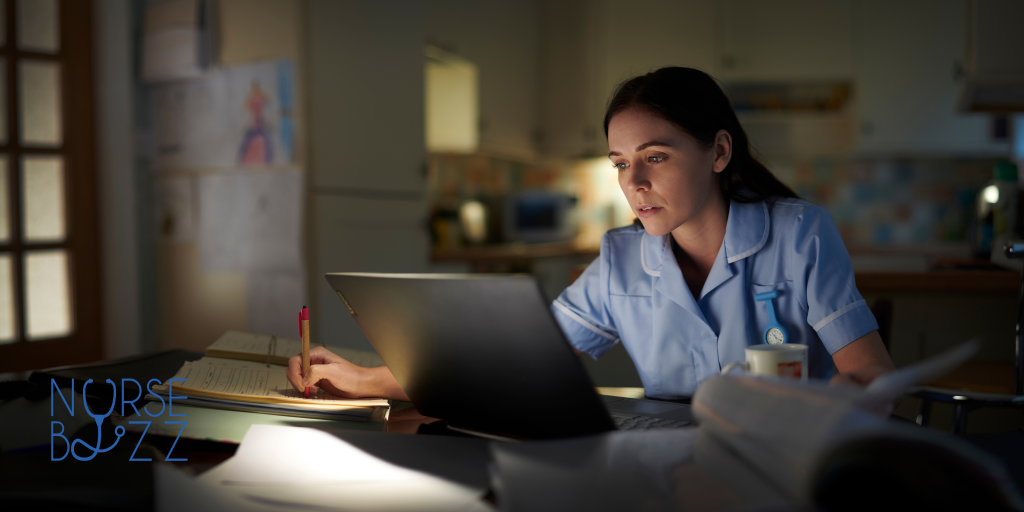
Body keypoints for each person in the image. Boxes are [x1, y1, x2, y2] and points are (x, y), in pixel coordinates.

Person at [287, 66, 894, 401]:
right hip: (672, 473)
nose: (633, 181)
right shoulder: (620, 261)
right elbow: (512, 361)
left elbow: (872, 380)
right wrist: (372, 380)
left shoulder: (801, 235)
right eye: (621, 163)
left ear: (718, 152)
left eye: (655, 156)